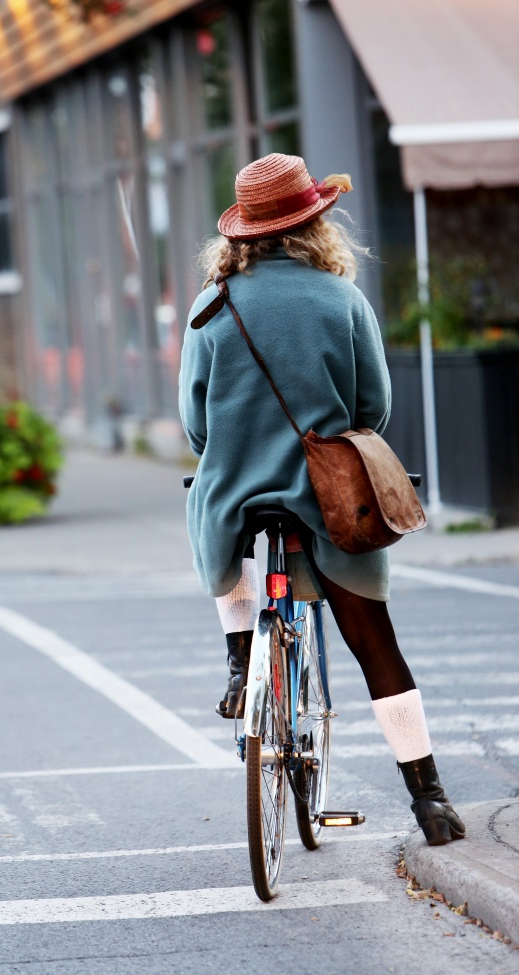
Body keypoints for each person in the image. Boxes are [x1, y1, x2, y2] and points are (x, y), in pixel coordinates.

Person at [178, 152, 465, 848]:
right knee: (375, 643)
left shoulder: (211, 305)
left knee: (219, 526)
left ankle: (243, 658)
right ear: (314, 226)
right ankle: (429, 799)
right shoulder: (342, 300)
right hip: (332, 501)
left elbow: (195, 425)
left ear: (242, 231)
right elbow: (374, 407)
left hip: (237, 495)